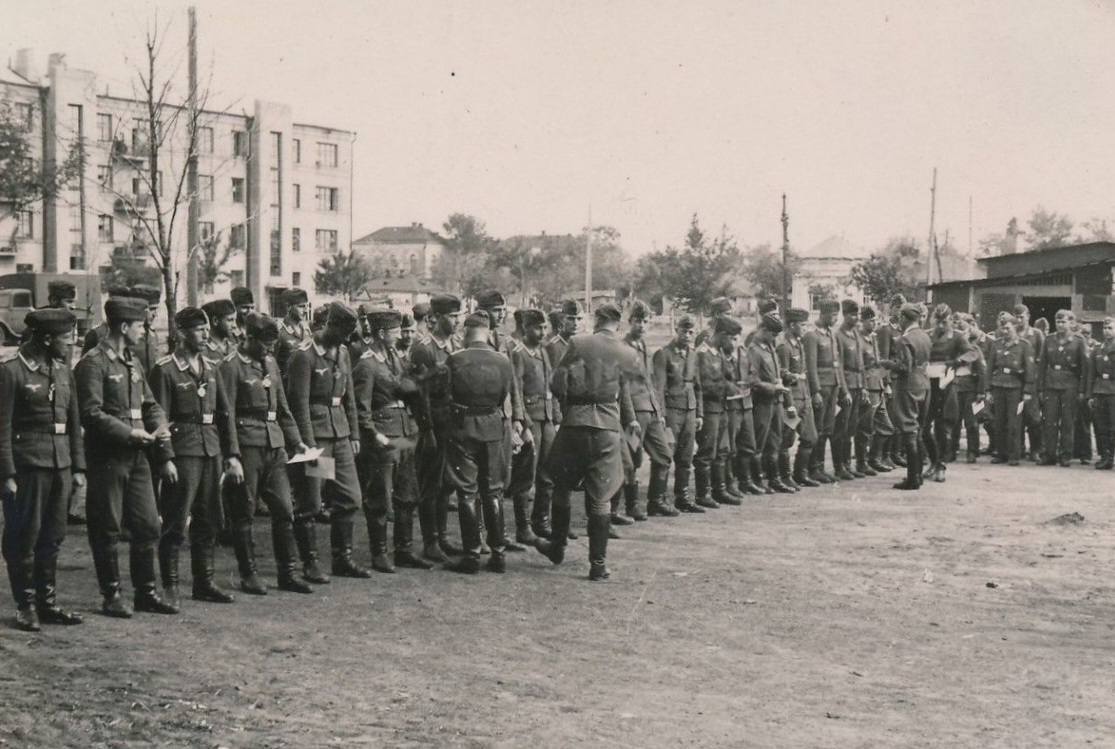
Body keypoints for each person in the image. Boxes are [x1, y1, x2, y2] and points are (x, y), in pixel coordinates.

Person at [75, 297, 178, 617]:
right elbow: (90, 413)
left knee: (148, 525)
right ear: (123, 326)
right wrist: (128, 433)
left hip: (138, 457)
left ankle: (145, 593)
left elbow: (149, 403)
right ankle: (112, 595)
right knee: (106, 527)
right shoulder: (93, 363)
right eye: (139, 326)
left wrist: (159, 423)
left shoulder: (131, 363)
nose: (143, 331)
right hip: (108, 457)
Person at [535, 303, 638, 581]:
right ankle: (598, 564)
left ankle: (557, 547)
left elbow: (556, 383)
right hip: (607, 426)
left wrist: (570, 402)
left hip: (575, 423)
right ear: (618, 324)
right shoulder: (629, 353)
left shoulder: (579, 342)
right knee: (601, 496)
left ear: (596, 319)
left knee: (561, 485)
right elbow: (626, 390)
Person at [148, 308, 242, 607]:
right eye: (198, 330)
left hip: (210, 449)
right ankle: (171, 586)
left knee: (209, 518)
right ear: (181, 334)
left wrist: (232, 454)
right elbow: (158, 416)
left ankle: (204, 582)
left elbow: (225, 414)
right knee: (176, 520)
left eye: (205, 330)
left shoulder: (212, 367)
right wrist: (165, 458)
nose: (204, 335)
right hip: (183, 450)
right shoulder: (165, 370)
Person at [0, 309, 85, 631]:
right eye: (66, 338)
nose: (71, 343)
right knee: (24, 536)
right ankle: (26, 606)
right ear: (46, 338)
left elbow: (74, 424)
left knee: (53, 536)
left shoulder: (64, 371)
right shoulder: (11, 372)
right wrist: (6, 474)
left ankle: (47, 603)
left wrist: (78, 467)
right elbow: (2, 427)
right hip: (27, 467)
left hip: (60, 465)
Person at [219, 313, 314, 594]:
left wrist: (296, 441)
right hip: (247, 446)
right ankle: (248, 574)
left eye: (272, 345)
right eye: (264, 344)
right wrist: (232, 455)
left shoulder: (271, 363)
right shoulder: (231, 367)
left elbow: (282, 407)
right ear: (248, 338)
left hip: (275, 446)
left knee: (285, 509)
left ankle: (288, 573)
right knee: (244, 512)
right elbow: (227, 415)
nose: (269, 350)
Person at [287, 302, 369, 580]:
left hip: (341, 433)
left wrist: (355, 433)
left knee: (350, 497)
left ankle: (342, 559)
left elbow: (350, 398)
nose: (347, 339)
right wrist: (308, 445)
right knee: (311, 501)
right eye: (344, 331)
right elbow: (298, 404)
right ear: (331, 325)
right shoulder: (304, 356)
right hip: (318, 437)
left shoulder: (343, 352)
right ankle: (310, 562)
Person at [352, 309, 431, 574]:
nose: (400, 336)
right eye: (395, 331)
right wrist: (373, 435)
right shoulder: (367, 363)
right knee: (379, 496)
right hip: (384, 436)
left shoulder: (395, 357)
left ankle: (404, 549)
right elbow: (361, 408)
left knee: (407, 492)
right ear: (382, 333)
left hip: (405, 432)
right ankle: (379, 553)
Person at [442, 312, 520, 574]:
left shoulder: (454, 360)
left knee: (467, 492)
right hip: (493, 427)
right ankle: (498, 554)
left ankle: (472, 555)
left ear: (466, 332)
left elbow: (446, 395)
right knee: (493, 491)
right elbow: (503, 397)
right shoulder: (503, 361)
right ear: (487, 332)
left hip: (463, 428)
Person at [409, 294, 465, 562]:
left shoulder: (454, 345)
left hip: (451, 424)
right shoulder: (424, 348)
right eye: (452, 316)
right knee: (430, 484)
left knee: (446, 484)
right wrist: (427, 429)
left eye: (458, 316)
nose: (457, 320)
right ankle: (430, 541)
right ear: (436, 318)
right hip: (432, 424)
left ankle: (442, 536)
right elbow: (421, 396)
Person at [620, 301, 677, 516]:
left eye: (646, 321)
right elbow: (623, 385)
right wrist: (629, 417)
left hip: (651, 411)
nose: (642, 326)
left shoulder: (644, 347)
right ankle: (631, 506)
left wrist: (659, 412)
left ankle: (656, 501)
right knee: (632, 460)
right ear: (629, 322)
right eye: (637, 321)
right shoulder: (623, 348)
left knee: (663, 455)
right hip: (635, 413)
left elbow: (650, 381)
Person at [508, 309, 559, 543]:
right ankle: (523, 527)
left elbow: (551, 387)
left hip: (547, 418)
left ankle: (542, 520)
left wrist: (556, 418)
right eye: (537, 328)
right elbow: (516, 390)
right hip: (532, 419)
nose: (542, 332)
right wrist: (522, 422)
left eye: (544, 327)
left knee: (548, 474)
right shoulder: (519, 353)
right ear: (526, 328)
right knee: (525, 476)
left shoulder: (542, 351)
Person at [653, 314, 703, 513]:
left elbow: (697, 386)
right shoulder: (664, 354)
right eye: (684, 331)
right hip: (672, 412)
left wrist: (699, 413)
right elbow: (658, 388)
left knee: (686, 456)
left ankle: (682, 497)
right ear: (676, 330)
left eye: (692, 332)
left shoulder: (693, 354)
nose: (688, 335)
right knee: (665, 454)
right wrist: (661, 416)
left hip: (689, 410)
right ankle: (657, 500)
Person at [923, 304, 976, 482]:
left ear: (950, 321)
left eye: (944, 322)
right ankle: (933, 461)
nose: (940, 326)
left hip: (946, 385)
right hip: (928, 384)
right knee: (923, 427)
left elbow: (972, 353)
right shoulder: (927, 335)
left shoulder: (957, 337)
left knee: (943, 427)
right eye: (937, 322)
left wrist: (957, 361)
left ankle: (941, 465)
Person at [694, 315, 742, 506]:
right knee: (706, 451)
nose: (733, 342)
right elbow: (703, 385)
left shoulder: (718, 352)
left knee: (722, 449)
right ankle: (702, 494)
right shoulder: (702, 353)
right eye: (731, 338)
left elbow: (726, 376)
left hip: (721, 407)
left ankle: (719, 490)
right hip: (709, 408)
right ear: (722, 334)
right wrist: (727, 387)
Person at [881, 303, 931, 490]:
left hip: (909, 385)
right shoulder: (925, 336)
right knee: (918, 428)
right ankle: (917, 474)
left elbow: (904, 367)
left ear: (904, 318)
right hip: (924, 383)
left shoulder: (904, 339)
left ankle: (913, 478)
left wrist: (886, 363)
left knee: (909, 429)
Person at [983, 312, 1035, 466]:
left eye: (1008, 328)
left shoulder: (1024, 345)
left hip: (1015, 388)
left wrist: (1027, 391)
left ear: (1015, 328)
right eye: (1002, 328)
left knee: (1014, 422)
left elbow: (1029, 370)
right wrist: (987, 389)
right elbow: (989, 367)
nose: (1005, 332)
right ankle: (1001, 453)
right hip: (998, 386)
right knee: (999, 421)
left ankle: (1014, 455)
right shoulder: (996, 344)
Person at [1037, 310, 1088, 466]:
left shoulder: (1079, 341)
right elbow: (1042, 365)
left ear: (1071, 323)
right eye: (1058, 322)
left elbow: (1085, 368)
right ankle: (1049, 454)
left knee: (1067, 422)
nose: (1060, 325)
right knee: (1049, 421)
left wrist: (1081, 390)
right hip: (1051, 384)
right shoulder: (1049, 339)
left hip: (1069, 385)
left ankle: (1065, 455)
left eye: (1063, 322)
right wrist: (1040, 388)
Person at [749, 313, 793, 493]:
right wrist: (773, 388)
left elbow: (775, 371)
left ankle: (774, 479)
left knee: (775, 440)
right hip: (762, 403)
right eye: (773, 334)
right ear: (764, 330)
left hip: (776, 402)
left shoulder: (770, 348)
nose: (775, 338)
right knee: (759, 442)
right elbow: (753, 381)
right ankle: (757, 480)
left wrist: (785, 375)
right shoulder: (754, 350)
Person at [805, 300, 848, 483]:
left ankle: (820, 466)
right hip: (821, 388)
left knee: (827, 429)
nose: (836, 319)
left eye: (837, 315)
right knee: (818, 428)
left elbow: (837, 364)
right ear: (822, 314)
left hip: (833, 387)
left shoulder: (830, 334)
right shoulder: (812, 336)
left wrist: (841, 387)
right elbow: (811, 366)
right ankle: (812, 467)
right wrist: (815, 391)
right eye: (833, 315)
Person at [777, 308, 819, 488]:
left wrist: (808, 395)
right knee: (785, 440)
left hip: (804, 397)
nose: (805, 327)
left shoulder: (799, 344)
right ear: (792, 325)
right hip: (792, 400)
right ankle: (785, 477)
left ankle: (800, 474)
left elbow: (804, 373)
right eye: (802, 325)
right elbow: (782, 377)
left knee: (810, 437)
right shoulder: (784, 347)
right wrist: (789, 404)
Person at [858, 306, 893, 474]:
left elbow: (878, 362)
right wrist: (863, 387)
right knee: (865, 428)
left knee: (886, 427)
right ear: (862, 321)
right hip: (868, 387)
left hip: (878, 386)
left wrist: (885, 383)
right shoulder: (858, 339)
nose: (874, 323)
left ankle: (874, 458)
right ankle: (862, 463)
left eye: (875, 320)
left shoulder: (873, 338)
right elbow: (859, 367)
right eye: (871, 320)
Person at [833, 300, 864, 480]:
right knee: (841, 428)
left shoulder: (855, 334)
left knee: (851, 428)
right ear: (844, 315)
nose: (856, 317)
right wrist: (844, 391)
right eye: (853, 314)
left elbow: (861, 365)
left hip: (858, 384)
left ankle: (847, 464)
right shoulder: (839, 336)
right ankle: (839, 466)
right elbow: (840, 366)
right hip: (847, 386)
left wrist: (863, 387)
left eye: (857, 314)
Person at [951, 314, 987, 463]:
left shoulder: (975, 349)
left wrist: (980, 391)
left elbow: (982, 371)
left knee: (971, 422)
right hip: (954, 387)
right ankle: (951, 450)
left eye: (963, 332)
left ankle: (972, 451)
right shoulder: (952, 349)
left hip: (970, 389)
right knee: (954, 421)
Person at [1015, 304, 1044, 461]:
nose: (1020, 320)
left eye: (1022, 316)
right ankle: (1018, 449)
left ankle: (1035, 450)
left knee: (1033, 417)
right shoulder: (1013, 333)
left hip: (1032, 381)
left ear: (1028, 316)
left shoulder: (1037, 334)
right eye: (1017, 317)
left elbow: (1042, 359)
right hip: (1016, 381)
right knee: (1017, 416)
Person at [1087, 317, 1115, 470]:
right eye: (1105, 328)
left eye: (1110, 328)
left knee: (1113, 426)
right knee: (1101, 426)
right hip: (1099, 390)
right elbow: (1091, 373)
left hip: (1113, 391)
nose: (1107, 331)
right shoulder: (1097, 349)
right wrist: (1090, 395)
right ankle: (1105, 456)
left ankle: (1111, 456)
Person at [275, 287, 313, 377]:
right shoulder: (280, 330)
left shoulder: (306, 329)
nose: (305, 310)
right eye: (301, 306)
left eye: (306, 306)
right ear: (288, 307)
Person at [201, 299, 240, 365]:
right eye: (230, 320)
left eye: (235, 320)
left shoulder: (235, 347)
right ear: (215, 321)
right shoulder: (203, 350)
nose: (235, 325)